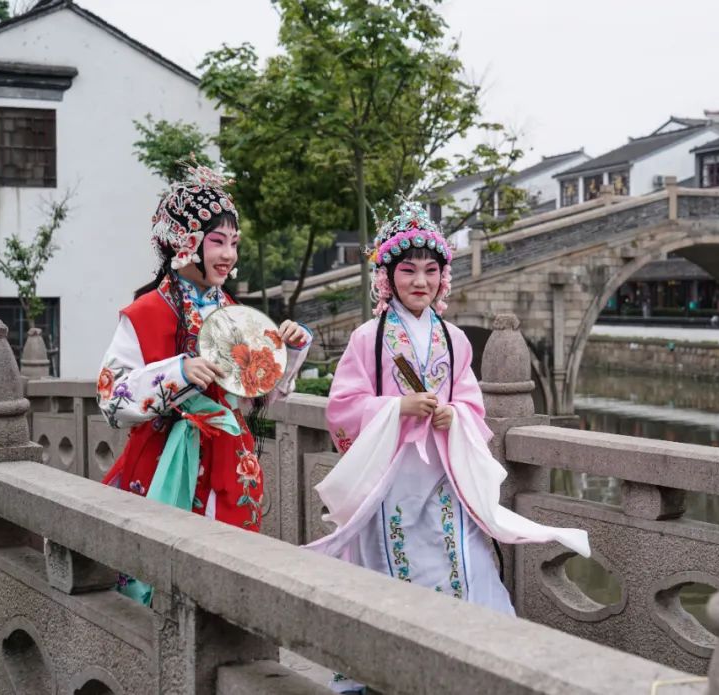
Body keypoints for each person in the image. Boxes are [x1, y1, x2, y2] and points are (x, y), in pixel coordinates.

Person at [303, 202, 589, 693]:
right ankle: (391, 674)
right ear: (387, 277)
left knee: (465, 566)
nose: (421, 281)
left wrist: (451, 415)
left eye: (430, 271)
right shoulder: (368, 338)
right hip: (391, 483)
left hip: (444, 479)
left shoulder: (455, 340)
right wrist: (396, 408)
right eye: (409, 271)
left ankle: (464, 668)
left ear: (443, 277)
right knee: (391, 574)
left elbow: (473, 408)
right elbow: (342, 409)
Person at [96, 160, 311, 603]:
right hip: (163, 455)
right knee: (158, 583)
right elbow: (110, 397)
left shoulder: (234, 312)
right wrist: (177, 372)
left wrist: (287, 351)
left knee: (228, 581)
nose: (229, 254)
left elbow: (257, 395)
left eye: (234, 242)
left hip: (230, 460)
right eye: (217, 241)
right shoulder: (145, 313)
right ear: (185, 241)